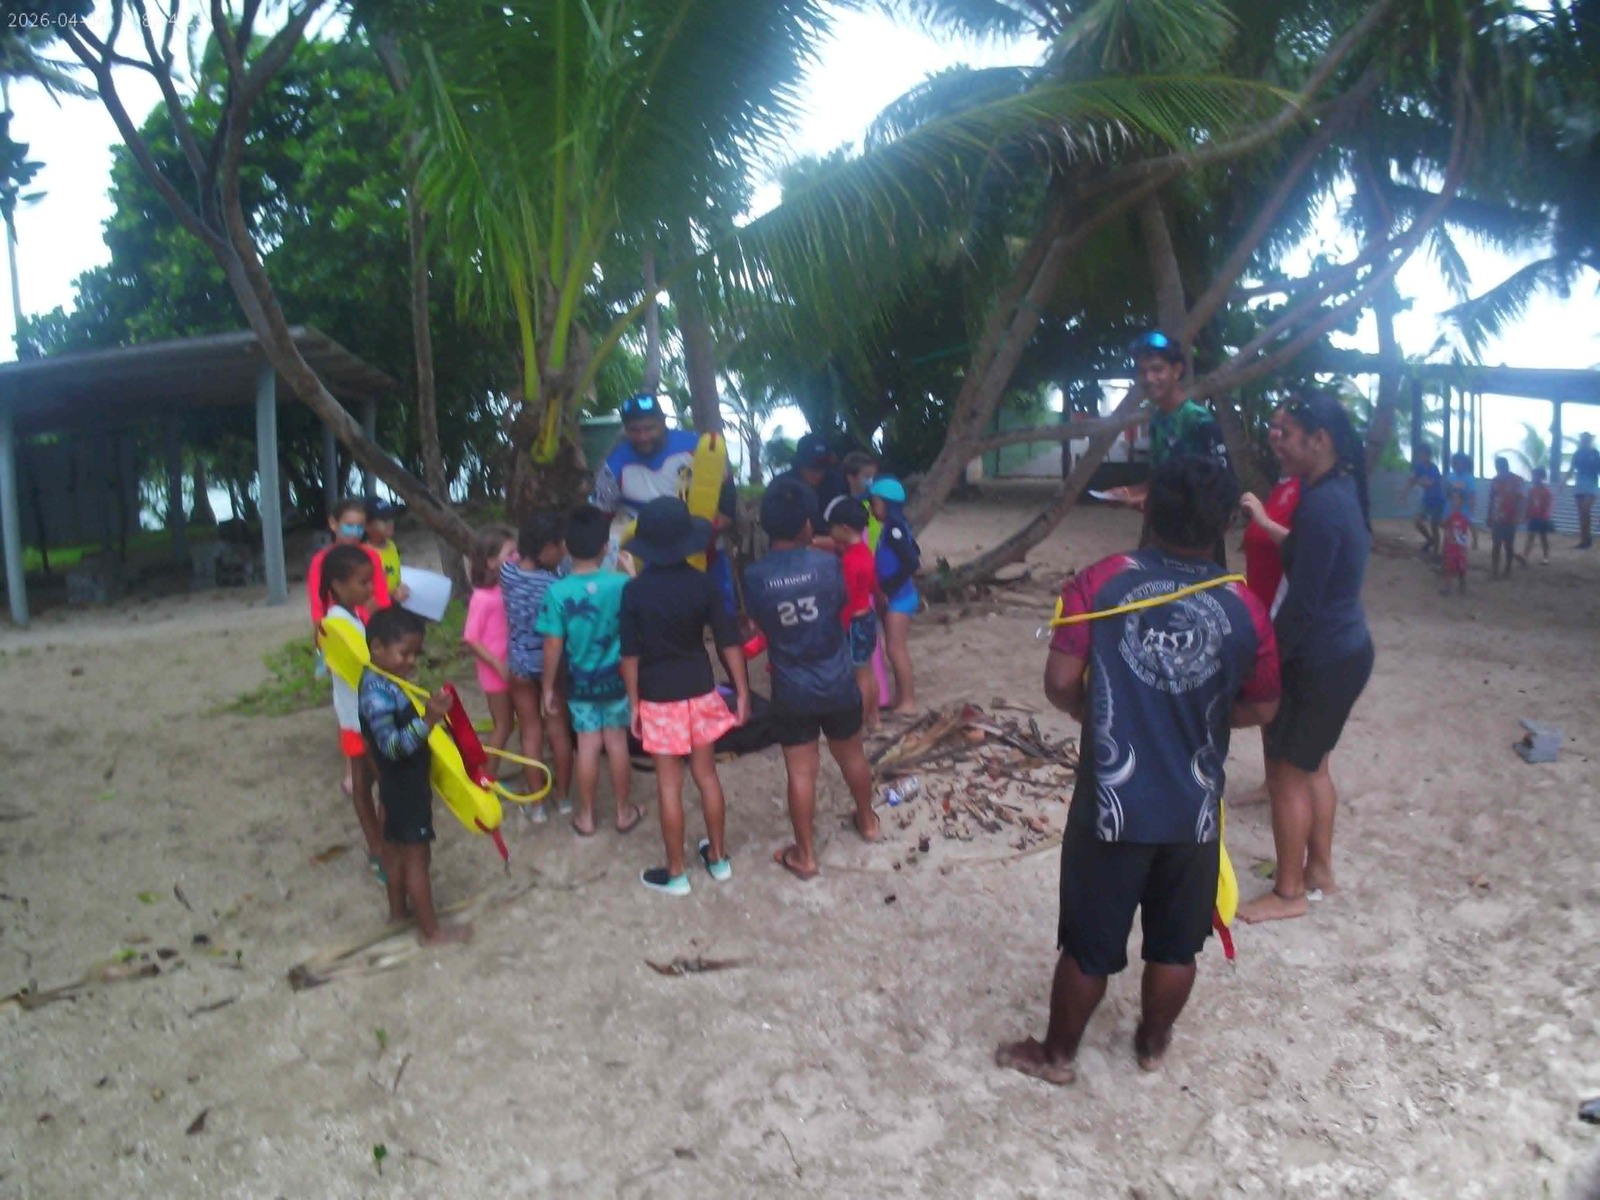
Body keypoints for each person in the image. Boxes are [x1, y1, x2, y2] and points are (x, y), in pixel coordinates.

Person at [994, 457, 1279, 1086]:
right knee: (1177, 944)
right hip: (1193, 808)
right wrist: (1200, 715)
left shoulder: (1099, 582)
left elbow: (1059, 683)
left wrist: (1095, 711)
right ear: (1225, 523)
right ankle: (1152, 1042)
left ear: (1146, 508)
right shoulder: (1245, 607)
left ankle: (1057, 1056)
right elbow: (1262, 706)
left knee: (1089, 946)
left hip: (1111, 802)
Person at [1238, 392, 1375, 925]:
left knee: (1287, 774)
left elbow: (1302, 605)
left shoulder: (1321, 504)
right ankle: (1318, 871)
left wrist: (1263, 664)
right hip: (1345, 652)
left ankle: (1289, 892)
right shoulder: (1337, 489)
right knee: (1313, 766)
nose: (1278, 441)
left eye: (1288, 433)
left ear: (1319, 440)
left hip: (1320, 658)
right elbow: (1305, 553)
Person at [745, 484, 882, 881]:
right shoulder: (829, 566)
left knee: (801, 772)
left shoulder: (753, 576)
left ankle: (805, 856)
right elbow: (842, 608)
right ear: (807, 525)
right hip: (837, 681)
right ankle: (868, 821)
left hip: (792, 688)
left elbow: (759, 624)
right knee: (852, 756)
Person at [620, 497, 751, 896]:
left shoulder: (634, 592)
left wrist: (634, 703)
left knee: (668, 785)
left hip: (659, 697)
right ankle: (719, 858)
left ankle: (676, 872)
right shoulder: (703, 584)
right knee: (706, 776)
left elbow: (630, 655)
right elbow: (727, 641)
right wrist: (742, 691)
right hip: (700, 689)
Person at [358, 605, 472, 946]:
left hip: (394, 786)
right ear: (377, 647)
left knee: (394, 852)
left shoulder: (381, 682)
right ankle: (431, 932)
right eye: (404, 653)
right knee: (417, 859)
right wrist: (429, 720)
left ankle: (398, 914)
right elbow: (393, 746)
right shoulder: (377, 694)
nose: (410, 661)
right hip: (405, 786)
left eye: (415, 655)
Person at [537, 505, 644, 838]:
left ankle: (586, 816)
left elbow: (553, 644)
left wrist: (547, 687)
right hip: (616, 681)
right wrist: (632, 573)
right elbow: (644, 611)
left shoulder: (557, 592)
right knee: (616, 742)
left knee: (587, 745)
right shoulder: (621, 584)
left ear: (566, 547)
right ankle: (623, 812)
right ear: (605, 547)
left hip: (580, 684)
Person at [592, 392, 737, 609]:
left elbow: (726, 496)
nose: (643, 437)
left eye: (649, 428)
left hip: (703, 552)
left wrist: (708, 532)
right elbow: (600, 517)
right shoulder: (613, 467)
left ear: (663, 421)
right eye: (634, 430)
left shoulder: (696, 447)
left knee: (722, 613)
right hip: (646, 561)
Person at [306, 497, 393, 796]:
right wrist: (324, 643)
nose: (355, 532)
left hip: (369, 636)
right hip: (341, 639)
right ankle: (352, 770)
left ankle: (373, 763)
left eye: (360, 526)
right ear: (333, 524)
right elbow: (317, 606)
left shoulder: (371, 557)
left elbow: (382, 598)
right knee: (347, 705)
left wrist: (374, 617)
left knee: (371, 702)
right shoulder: (322, 562)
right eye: (348, 525)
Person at [1236, 407, 1300, 807]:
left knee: (1285, 702)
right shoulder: (1282, 483)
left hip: (1284, 608)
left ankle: (1288, 787)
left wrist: (1260, 518)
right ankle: (1271, 781)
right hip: (1260, 606)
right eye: (1273, 427)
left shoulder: (1309, 488)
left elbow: (1303, 545)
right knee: (1268, 696)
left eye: (1285, 428)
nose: (1275, 434)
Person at [318, 544, 385, 882]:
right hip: (362, 720)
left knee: (363, 784)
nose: (371, 588)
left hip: (352, 718)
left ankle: (377, 847)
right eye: (363, 582)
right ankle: (382, 847)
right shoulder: (337, 625)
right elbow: (361, 668)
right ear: (338, 585)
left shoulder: (349, 618)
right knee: (380, 784)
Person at [502, 511, 573, 822]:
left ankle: (537, 805)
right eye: (561, 545)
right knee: (558, 729)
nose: (565, 551)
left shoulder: (507, 573)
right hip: (549, 666)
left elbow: (509, 559)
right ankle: (563, 797)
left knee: (530, 731)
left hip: (518, 663)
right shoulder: (554, 585)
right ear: (546, 548)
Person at [826, 494, 882, 733]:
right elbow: (873, 587)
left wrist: (841, 625)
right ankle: (875, 719)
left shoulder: (849, 560)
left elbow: (846, 598)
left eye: (832, 528)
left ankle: (858, 723)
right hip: (867, 616)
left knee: (859, 676)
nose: (830, 532)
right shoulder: (865, 553)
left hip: (855, 621)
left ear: (844, 528)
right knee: (868, 671)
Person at [462, 525, 517, 760]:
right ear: (492, 562)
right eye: (510, 553)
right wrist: (497, 664)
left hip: (512, 665)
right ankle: (487, 773)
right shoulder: (482, 598)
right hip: (495, 671)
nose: (517, 557)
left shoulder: (508, 589)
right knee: (503, 725)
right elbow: (470, 638)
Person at [868, 477, 920, 715]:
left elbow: (911, 561)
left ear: (885, 503)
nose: (871, 507)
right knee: (893, 648)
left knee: (896, 649)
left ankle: (908, 701)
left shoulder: (895, 529)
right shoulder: (894, 526)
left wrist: (888, 589)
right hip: (896, 596)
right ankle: (900, 697)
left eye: (874, 502)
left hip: (899, 598)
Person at [773, 432, 851, 517]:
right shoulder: (781, 488)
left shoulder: (835, 482)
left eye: (822, 467)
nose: (818, 474)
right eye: (812, 467)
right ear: (799, 465)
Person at [1402, 443, 1446, 557]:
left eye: (1423, 455)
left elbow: (1429, 483)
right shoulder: (1419, 467)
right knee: (1417, 521)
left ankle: (1436, 552)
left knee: (1434, 526)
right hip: (1427, 499)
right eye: (1420, 454)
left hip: (1437, 500)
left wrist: (1418, 481)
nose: (1421, 457)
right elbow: (1413, 480)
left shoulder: (1434, 468)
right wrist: (1404, 493)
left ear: (1428, 455)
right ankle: (1430, 540)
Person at [1487, 456, 1525, 580]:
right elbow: (1491, 499)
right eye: (1497, 467)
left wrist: (1518, 515)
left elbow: (1520, 499)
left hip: (1510, 517)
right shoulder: (1495, 481)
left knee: (1508, 545)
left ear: (1506, 466)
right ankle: (1495, 570)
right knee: (1496, 544)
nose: (1499, 469)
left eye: (1500, 466)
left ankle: (1507, 570)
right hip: (1497, 516)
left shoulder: (1516, 480)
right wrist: (1489, 515)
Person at [365, 502, 410, 602]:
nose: (390, 523)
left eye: (391, 518)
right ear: (366, 525)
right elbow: (363, 600)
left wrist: (399, 587)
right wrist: (392, 597)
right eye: (384, 520)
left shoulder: (391, 545)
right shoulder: (364, 555)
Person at [1568, 431, 1600, 549]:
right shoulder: (1578, 454)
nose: (1584, 441)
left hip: (1591, 485)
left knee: (1585, 510)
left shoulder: (1595, 454)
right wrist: (1563, 483)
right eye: (1583, 439)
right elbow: (1572, 469)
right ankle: (1584, 539)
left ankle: (1587, 537)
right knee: (1582, 513)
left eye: (1586, 439)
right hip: (1580, 485)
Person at [1440, 486, 1472, 595]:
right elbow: (1443, 524)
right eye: (1453, 499)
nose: (1454, 501)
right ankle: (1447, 588)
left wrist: (1474, 541)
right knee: (1449, 567)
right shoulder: (1448, 511)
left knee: (1461, 568)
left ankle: (1462, 586)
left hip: (1460, 546)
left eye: (1457, 499)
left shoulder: (1465, 514)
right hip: (1450, 544)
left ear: (1462, 501)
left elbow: (1471, 526)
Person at [1446, 452, 1480, 550]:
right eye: (1456, 463)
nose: (1458, 465)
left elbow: (1472, 494)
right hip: (1453, 505)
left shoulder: (1469, 478)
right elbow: (1447, 491)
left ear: (1465, 464)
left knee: (1469, 523)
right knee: (1451, 524)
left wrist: (1472, 508)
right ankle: (1450, 545)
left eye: (1460, 463)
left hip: (1465, 506)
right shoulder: (1450, 476)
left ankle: (1473, 541)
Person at [1523, 467, 1554, 566]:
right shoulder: (1532, 491)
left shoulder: (1546, 492)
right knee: (1530, 537)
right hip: (1534, 517)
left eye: (1535, 476)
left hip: (1542, 517)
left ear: (1541, 477)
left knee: (1543, 538)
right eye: (1533, 476)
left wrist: (1543, 516)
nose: (1533, 478)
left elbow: (1547, 505)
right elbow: (1528, 503)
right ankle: (1525, 556)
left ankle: (1546, 556)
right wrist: (1526, 515)